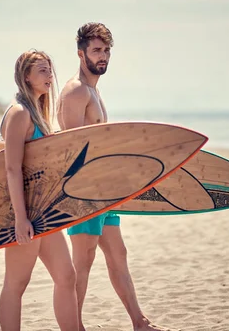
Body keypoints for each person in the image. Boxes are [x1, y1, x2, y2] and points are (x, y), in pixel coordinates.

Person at [58, 23, 169, 331]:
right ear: (81, 54)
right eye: (96, 50)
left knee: (118, 253)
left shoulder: (93, 90)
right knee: (83, 261)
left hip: (103, 189)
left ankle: (140, 323)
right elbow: (69, 147)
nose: (103, 56)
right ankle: (73, 327)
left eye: (106, 50)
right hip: (83, 190)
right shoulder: (76, 91)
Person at [0, 50, 79, 330]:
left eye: (50, 70)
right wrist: (21, 219)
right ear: (26, 76)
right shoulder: (20, 113)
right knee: (16, 284)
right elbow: (12, 168)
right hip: (26, 213)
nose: (50, 76)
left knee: (67, 277)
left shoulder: (37, 112)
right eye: (43, 70)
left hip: (45, 212)